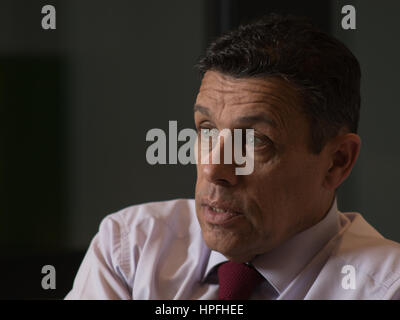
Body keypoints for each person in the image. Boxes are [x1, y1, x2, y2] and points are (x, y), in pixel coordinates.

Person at [65, 14, 400, 300]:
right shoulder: (131, 249)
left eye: (254, 141)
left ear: (337, 161)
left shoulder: (386, 289)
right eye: (206, 129)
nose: (213, 168)